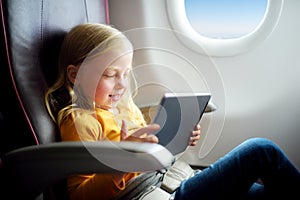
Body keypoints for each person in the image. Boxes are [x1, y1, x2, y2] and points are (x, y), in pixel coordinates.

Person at [45, 23, 300, 200]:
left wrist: (176, 139)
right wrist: (122, 164)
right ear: (75, 75)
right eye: (110, 75)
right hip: (155, 195)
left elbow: (149, 153)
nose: (122, 84)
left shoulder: (122, 108)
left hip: (174, 179)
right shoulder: (81, 120)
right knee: (260, 151)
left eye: (125, 74)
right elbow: (78, 195)